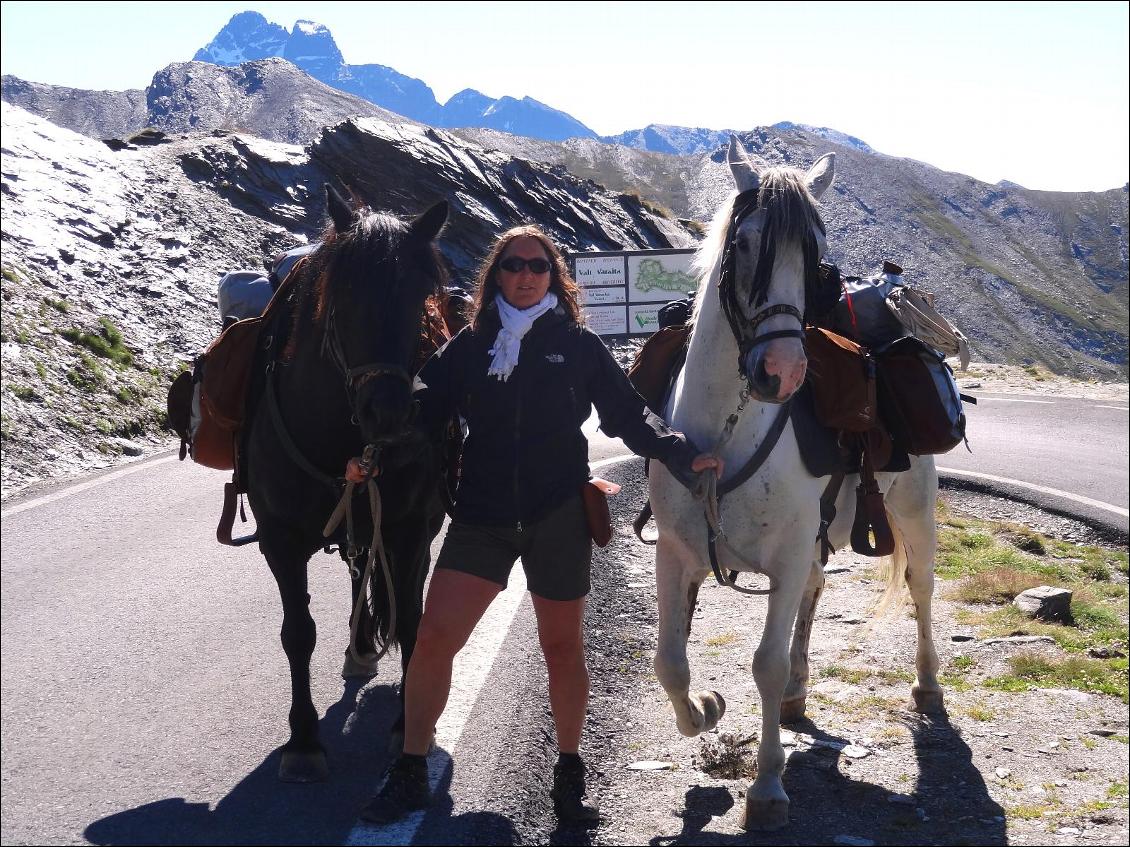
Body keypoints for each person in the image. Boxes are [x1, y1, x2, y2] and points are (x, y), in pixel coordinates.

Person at [352, 225, 722, 825]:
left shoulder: (576, 344)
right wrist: (372, 452)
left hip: (558, 516)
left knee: (561, 647)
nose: (526, 275)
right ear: (495, 275)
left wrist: (681, 453)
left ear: (555, 277)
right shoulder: (470, 346)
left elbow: (628, 416)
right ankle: (410, 768)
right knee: (434, 642)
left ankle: (569, 769)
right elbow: (421, 416)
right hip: (482, 516)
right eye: (514, 265)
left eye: (538, 266)